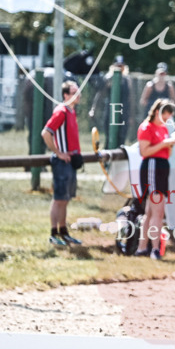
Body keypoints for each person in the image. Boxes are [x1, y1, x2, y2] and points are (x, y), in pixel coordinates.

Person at [134, 100, 175, 258]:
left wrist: (170, 144)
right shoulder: (146, 127)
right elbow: (144, 152)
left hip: (162, 166)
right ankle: (154, 248)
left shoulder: (163, 129)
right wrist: (163, 143)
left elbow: (167, 153)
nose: (168, 118)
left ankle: (141, 248)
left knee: (150, 212)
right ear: (157, 112)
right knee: (158, 212)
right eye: (165, 114)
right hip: (152, 166)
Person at [41, 81, 84, 247]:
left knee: (65, 199)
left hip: (71, 161)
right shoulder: (61, 111)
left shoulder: (72, 112)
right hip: (62, 163)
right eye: (74, 92)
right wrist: (59, 153)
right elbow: (46, 133)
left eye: (78, 92)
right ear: (66, 95)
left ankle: (63, 232)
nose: (78, 95)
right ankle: (53, 233)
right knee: (59, 199)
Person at [89, 55, 132, 146]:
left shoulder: (127, 80)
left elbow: (130, 99)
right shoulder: (108, 78)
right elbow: (100, 94)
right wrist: (93, 109)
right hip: (111, 110)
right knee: (109, 137)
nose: (119, 68)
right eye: (117, 65)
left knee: (121, 137)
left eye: (121, 66)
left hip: (123, 111)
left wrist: (131, 115)